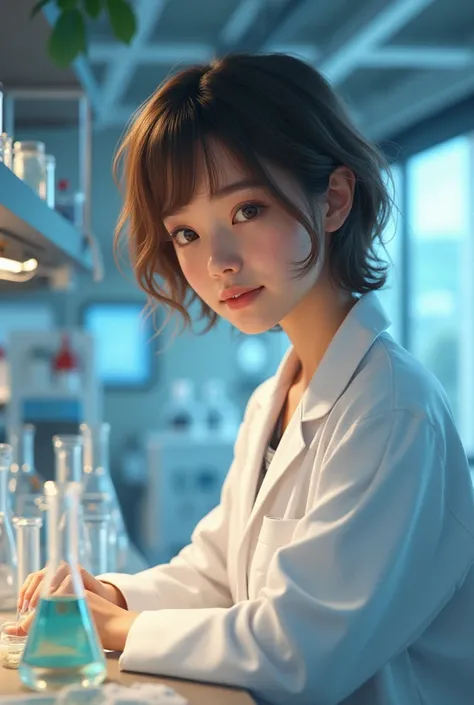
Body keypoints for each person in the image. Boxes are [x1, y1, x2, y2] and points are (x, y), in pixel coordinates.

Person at [17, 53, 474, 705]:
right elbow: (220, 573)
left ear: (335, 198)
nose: (217, 262)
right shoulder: (277, 395)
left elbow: (303, 653)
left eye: (247, 210)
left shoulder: (393, 408)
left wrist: (129, 628)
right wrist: (109, 595)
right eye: (186, 232)